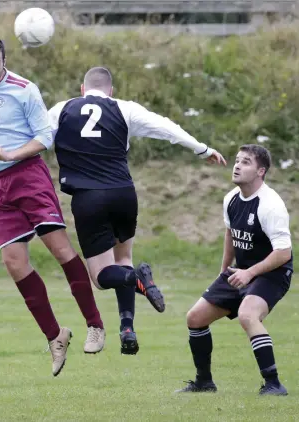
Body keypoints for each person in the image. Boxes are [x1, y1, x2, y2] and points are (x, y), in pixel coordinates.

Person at [41, 67, 227, 355]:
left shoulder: (62, 109)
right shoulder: (125, 109)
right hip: (124, 194)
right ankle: (127, 327)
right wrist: (201, 149)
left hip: (89, 199)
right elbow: (164, 127)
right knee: (124, 258)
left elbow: (37, 138)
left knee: (102, 276)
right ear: (111, 91)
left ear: (82, 89)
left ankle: (137, 279)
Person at [0, 34, 105, 377]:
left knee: (60, 250)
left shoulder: (24, 89)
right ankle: (55, 336)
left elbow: (45, 137)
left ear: (5, 60)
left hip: (28, 176)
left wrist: (11, 153)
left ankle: (95, 324)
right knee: (13, 262)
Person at [176, 144, 292, 396]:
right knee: (195, 318)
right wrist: (224, 271)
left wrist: (250, 273)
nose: (237, 165)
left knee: (247, 314)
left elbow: (284, 253)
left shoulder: (270, 204)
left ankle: (273, 384)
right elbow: (230, 234)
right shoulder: (231, 198)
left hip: (273, 272)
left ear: (261, 171)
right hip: (240, 271)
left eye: (246, 162)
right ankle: (204, 382)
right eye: (237, 160)